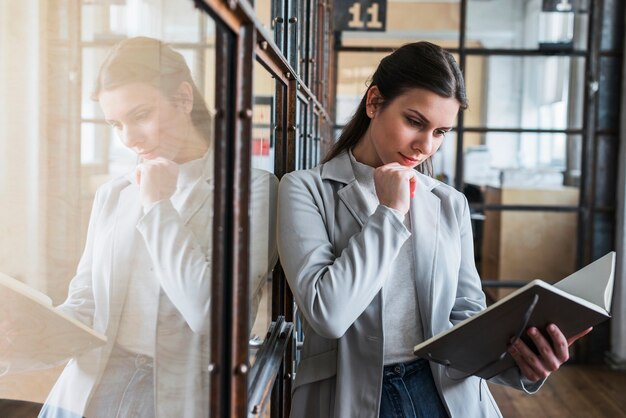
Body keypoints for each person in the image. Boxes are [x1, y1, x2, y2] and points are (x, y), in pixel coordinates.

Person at [276, 41, 591, 418]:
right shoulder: (304, 189)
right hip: (351, 397)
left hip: (447, 396)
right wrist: (391, 213)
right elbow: (327, 312)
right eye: (415, 121)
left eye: (441, 131)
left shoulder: (448, 203)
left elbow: (468, 318)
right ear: (374, 102)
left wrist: (526, 363)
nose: (425, 146)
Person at [31, 36, 276, 418]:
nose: (129, 139)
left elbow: (211, 315)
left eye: (141, 115)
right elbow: (86, 303)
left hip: (179, 396)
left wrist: (158, 205)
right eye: (116, 124)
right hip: (92, 388)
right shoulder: (114, 194)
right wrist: (24, 337)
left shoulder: (253, 191)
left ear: (182, 98)